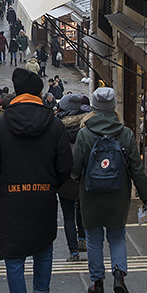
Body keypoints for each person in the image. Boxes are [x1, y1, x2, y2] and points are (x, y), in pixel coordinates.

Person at [0, 68, 72, 293]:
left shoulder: (1, 125)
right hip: (43, 196)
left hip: (12, 197)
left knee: (14, 256)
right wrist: (50, 185)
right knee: (43, 247)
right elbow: (65, 165)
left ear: (17, 93)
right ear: (39, 93)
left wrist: (0, 189)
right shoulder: (53, 123)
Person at [73, 87, 147, 293]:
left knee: (94, 240)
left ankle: (97, 284)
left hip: (90, 196)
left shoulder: (85, 133)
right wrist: (146, 198)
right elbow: (137, 169)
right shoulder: (125, 133)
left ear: (95, 109)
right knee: (117, 236)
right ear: (113, 108)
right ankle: (119, 274)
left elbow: (75, 168)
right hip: (118, 195)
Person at [55, 92, 91, 261]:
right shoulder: (88, 124)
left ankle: (73, 252)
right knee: (82, 209)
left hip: (64, 174)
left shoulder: (57, 126)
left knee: (68, 215)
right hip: (85, 174)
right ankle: (83, 239)